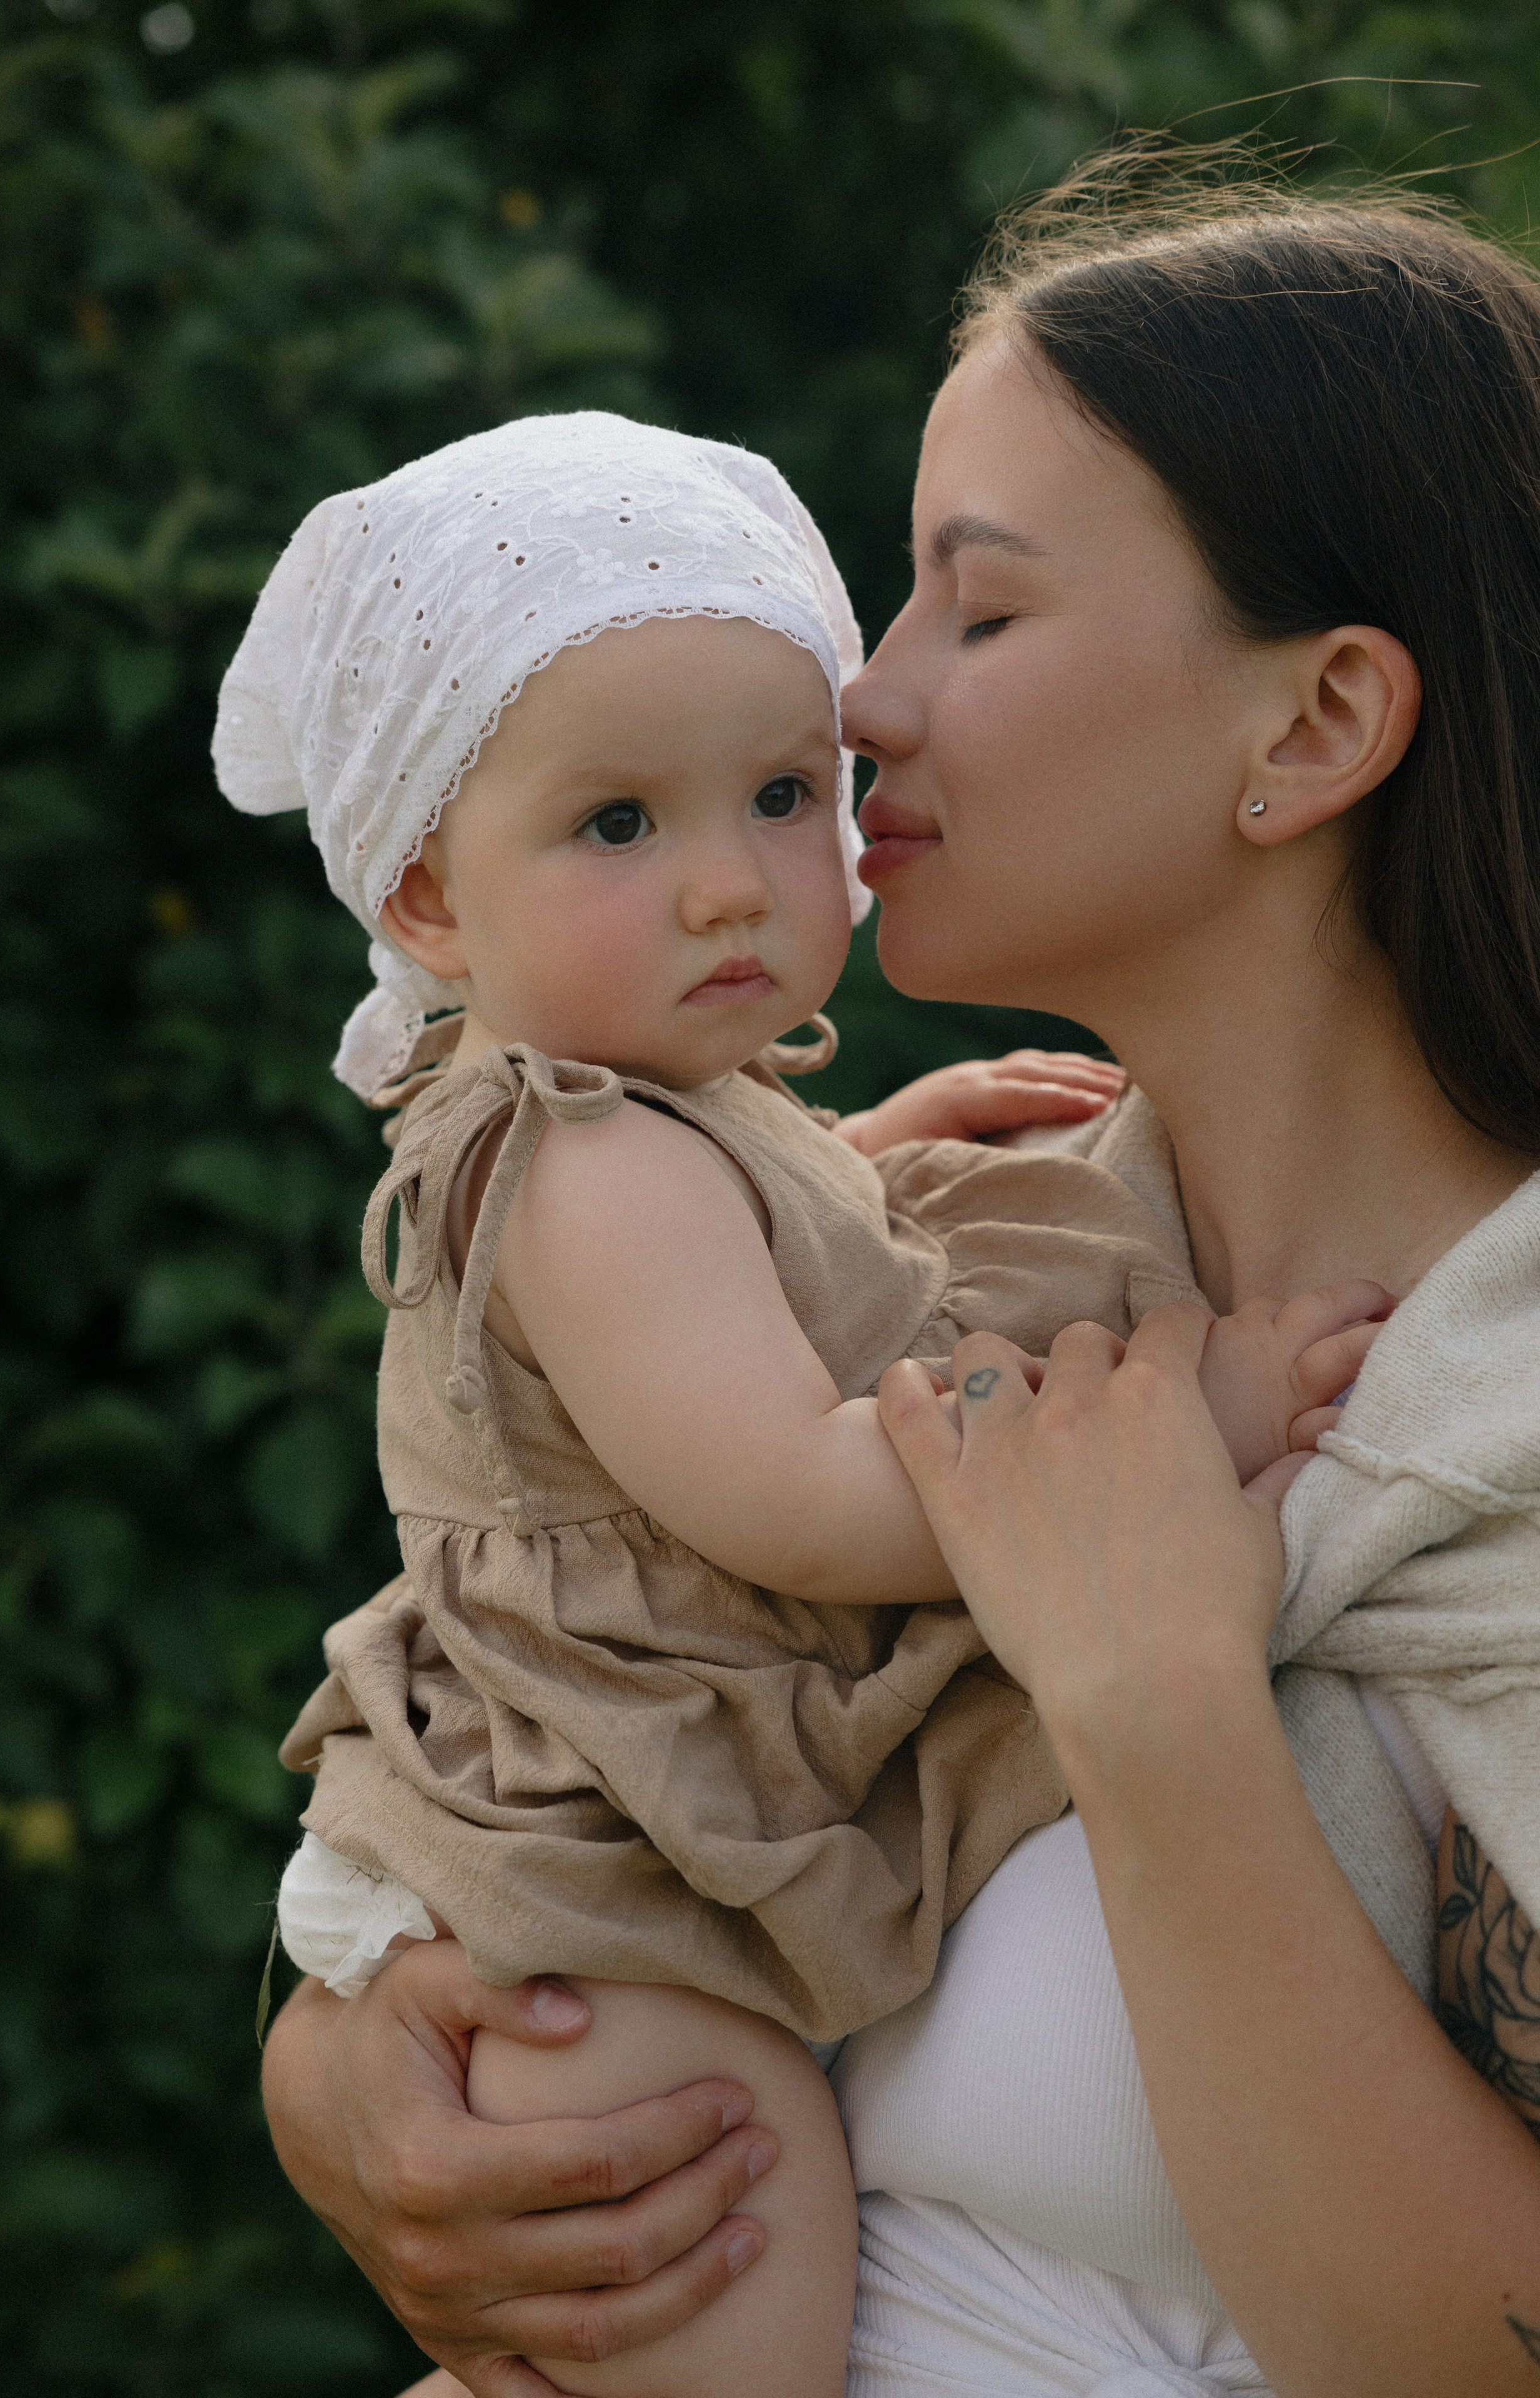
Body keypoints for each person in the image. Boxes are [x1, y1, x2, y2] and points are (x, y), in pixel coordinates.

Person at [257, 154, 1540, 2398]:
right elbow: (573, 1715)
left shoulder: (1483, 1446)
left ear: (1316, 726)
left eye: (980, 608)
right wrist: (361, 2072)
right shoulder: (941, 1270)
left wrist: (1153, 1706)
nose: (858, 702)